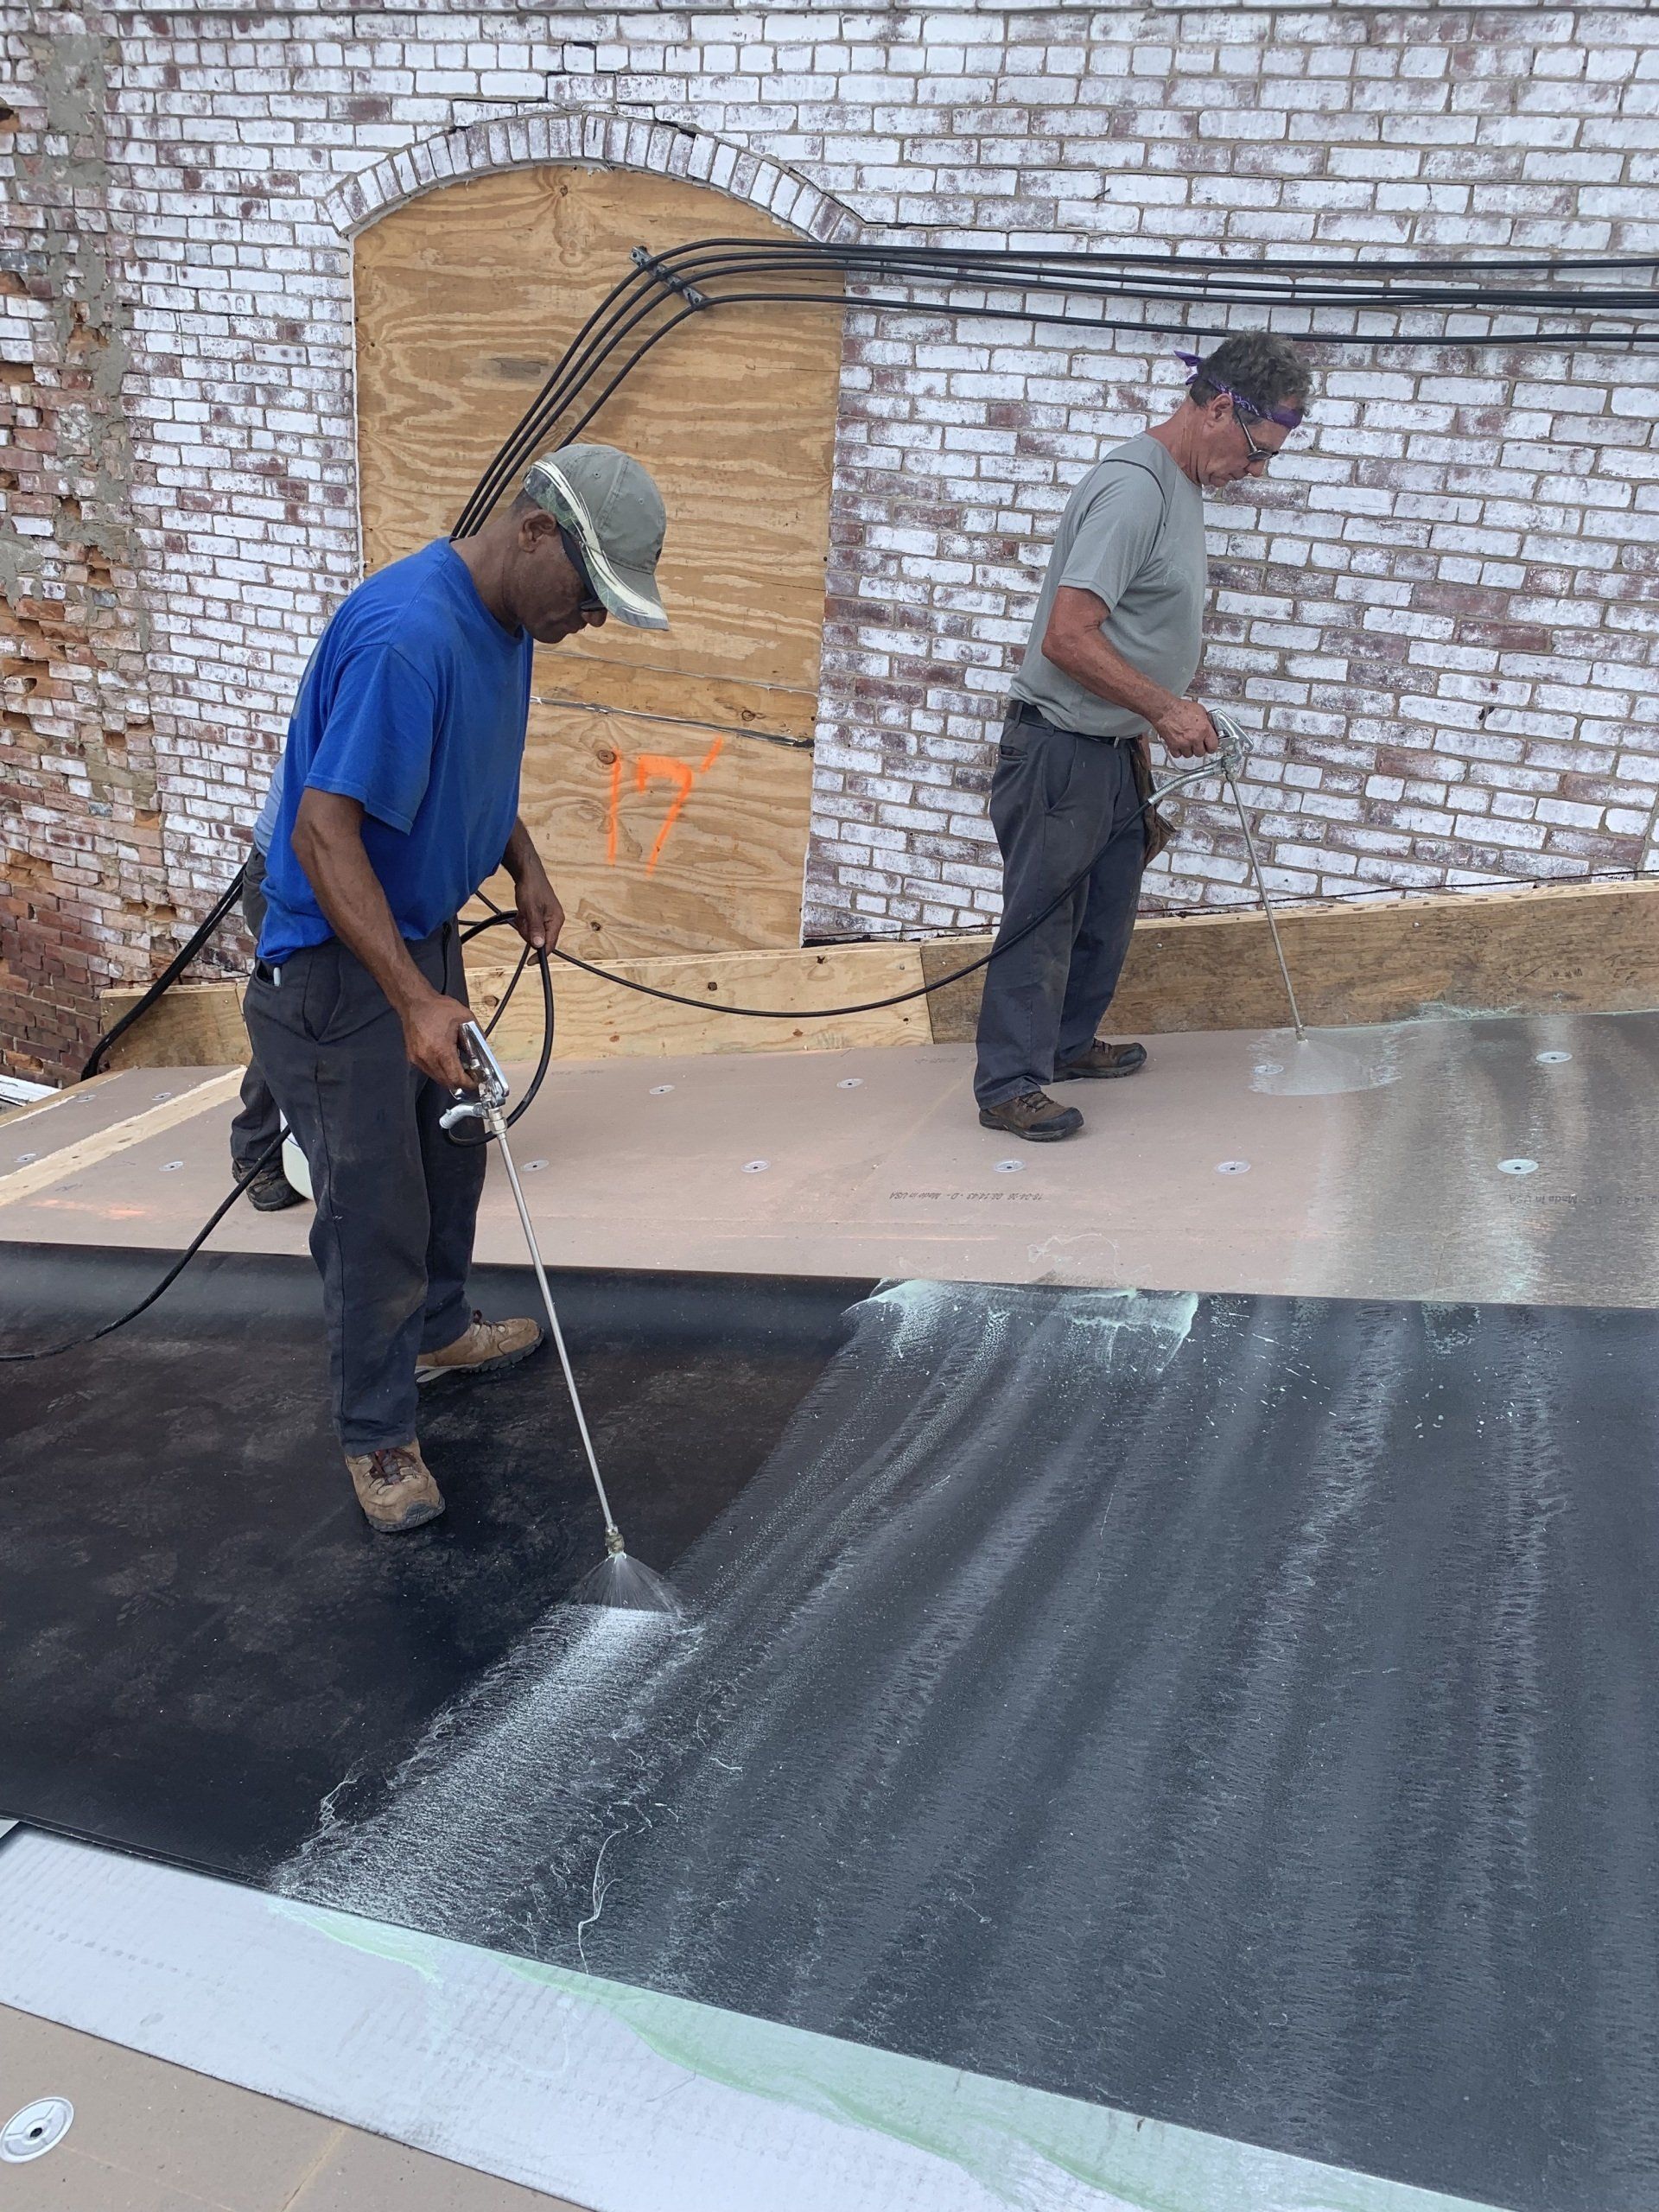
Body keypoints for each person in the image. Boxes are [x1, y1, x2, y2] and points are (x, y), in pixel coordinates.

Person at [244, 443, 670, 1534]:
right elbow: (322, 831)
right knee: (373, 1203)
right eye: (590, 594)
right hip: (337, 954)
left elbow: (473, 767)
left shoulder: (507, 624)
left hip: (415, 931)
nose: (594, 621)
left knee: (452, 1146)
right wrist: (411, 998)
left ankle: (436, 1333)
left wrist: (522, 862)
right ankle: (377, 1434)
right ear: (533, 532)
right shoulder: (409, 636)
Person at [973, 334, 1313, 1141]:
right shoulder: (1134, 489)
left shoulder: (1181, 483)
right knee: (1044, 919)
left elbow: (1129, 628)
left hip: (1111, 748)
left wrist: (1149, 721)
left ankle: (1064, 1045)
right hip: (1059, 749)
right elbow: (1068, 636)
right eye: (1256, 452)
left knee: (1106, 908)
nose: (1256, 472)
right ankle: (1008, 1085)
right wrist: (1164, 707)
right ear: (1221, 408)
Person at [227, 758, 306, 1211]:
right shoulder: (356, 721)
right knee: (294, 1007)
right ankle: (255, 1152)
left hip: (352, 870)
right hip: (287, 873)